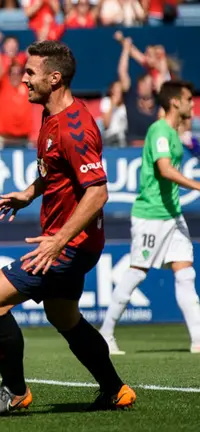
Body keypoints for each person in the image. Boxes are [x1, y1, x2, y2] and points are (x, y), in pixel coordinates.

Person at [0, 40, 135, 417]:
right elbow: (57, 170)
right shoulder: (52, 114)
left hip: (70, 245)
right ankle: (115, 390)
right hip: (71, 242)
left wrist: (59, 242)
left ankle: (14, 392)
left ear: (54, 78)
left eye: (31, 73)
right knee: (63, 316)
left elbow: (98, 192)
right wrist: (30, 193)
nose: (24, 79)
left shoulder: (74, 128)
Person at [99, 80, 200, 355]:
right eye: (188, 99)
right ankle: (105, 334)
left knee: (186, 273)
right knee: (136, 273)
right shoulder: (159, 131)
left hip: (172, 214)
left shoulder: (174, 132)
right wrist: (197, 185)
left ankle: (198, 340)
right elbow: (165, 169)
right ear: (175, 102)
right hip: (151, 215)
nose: (192, 103)